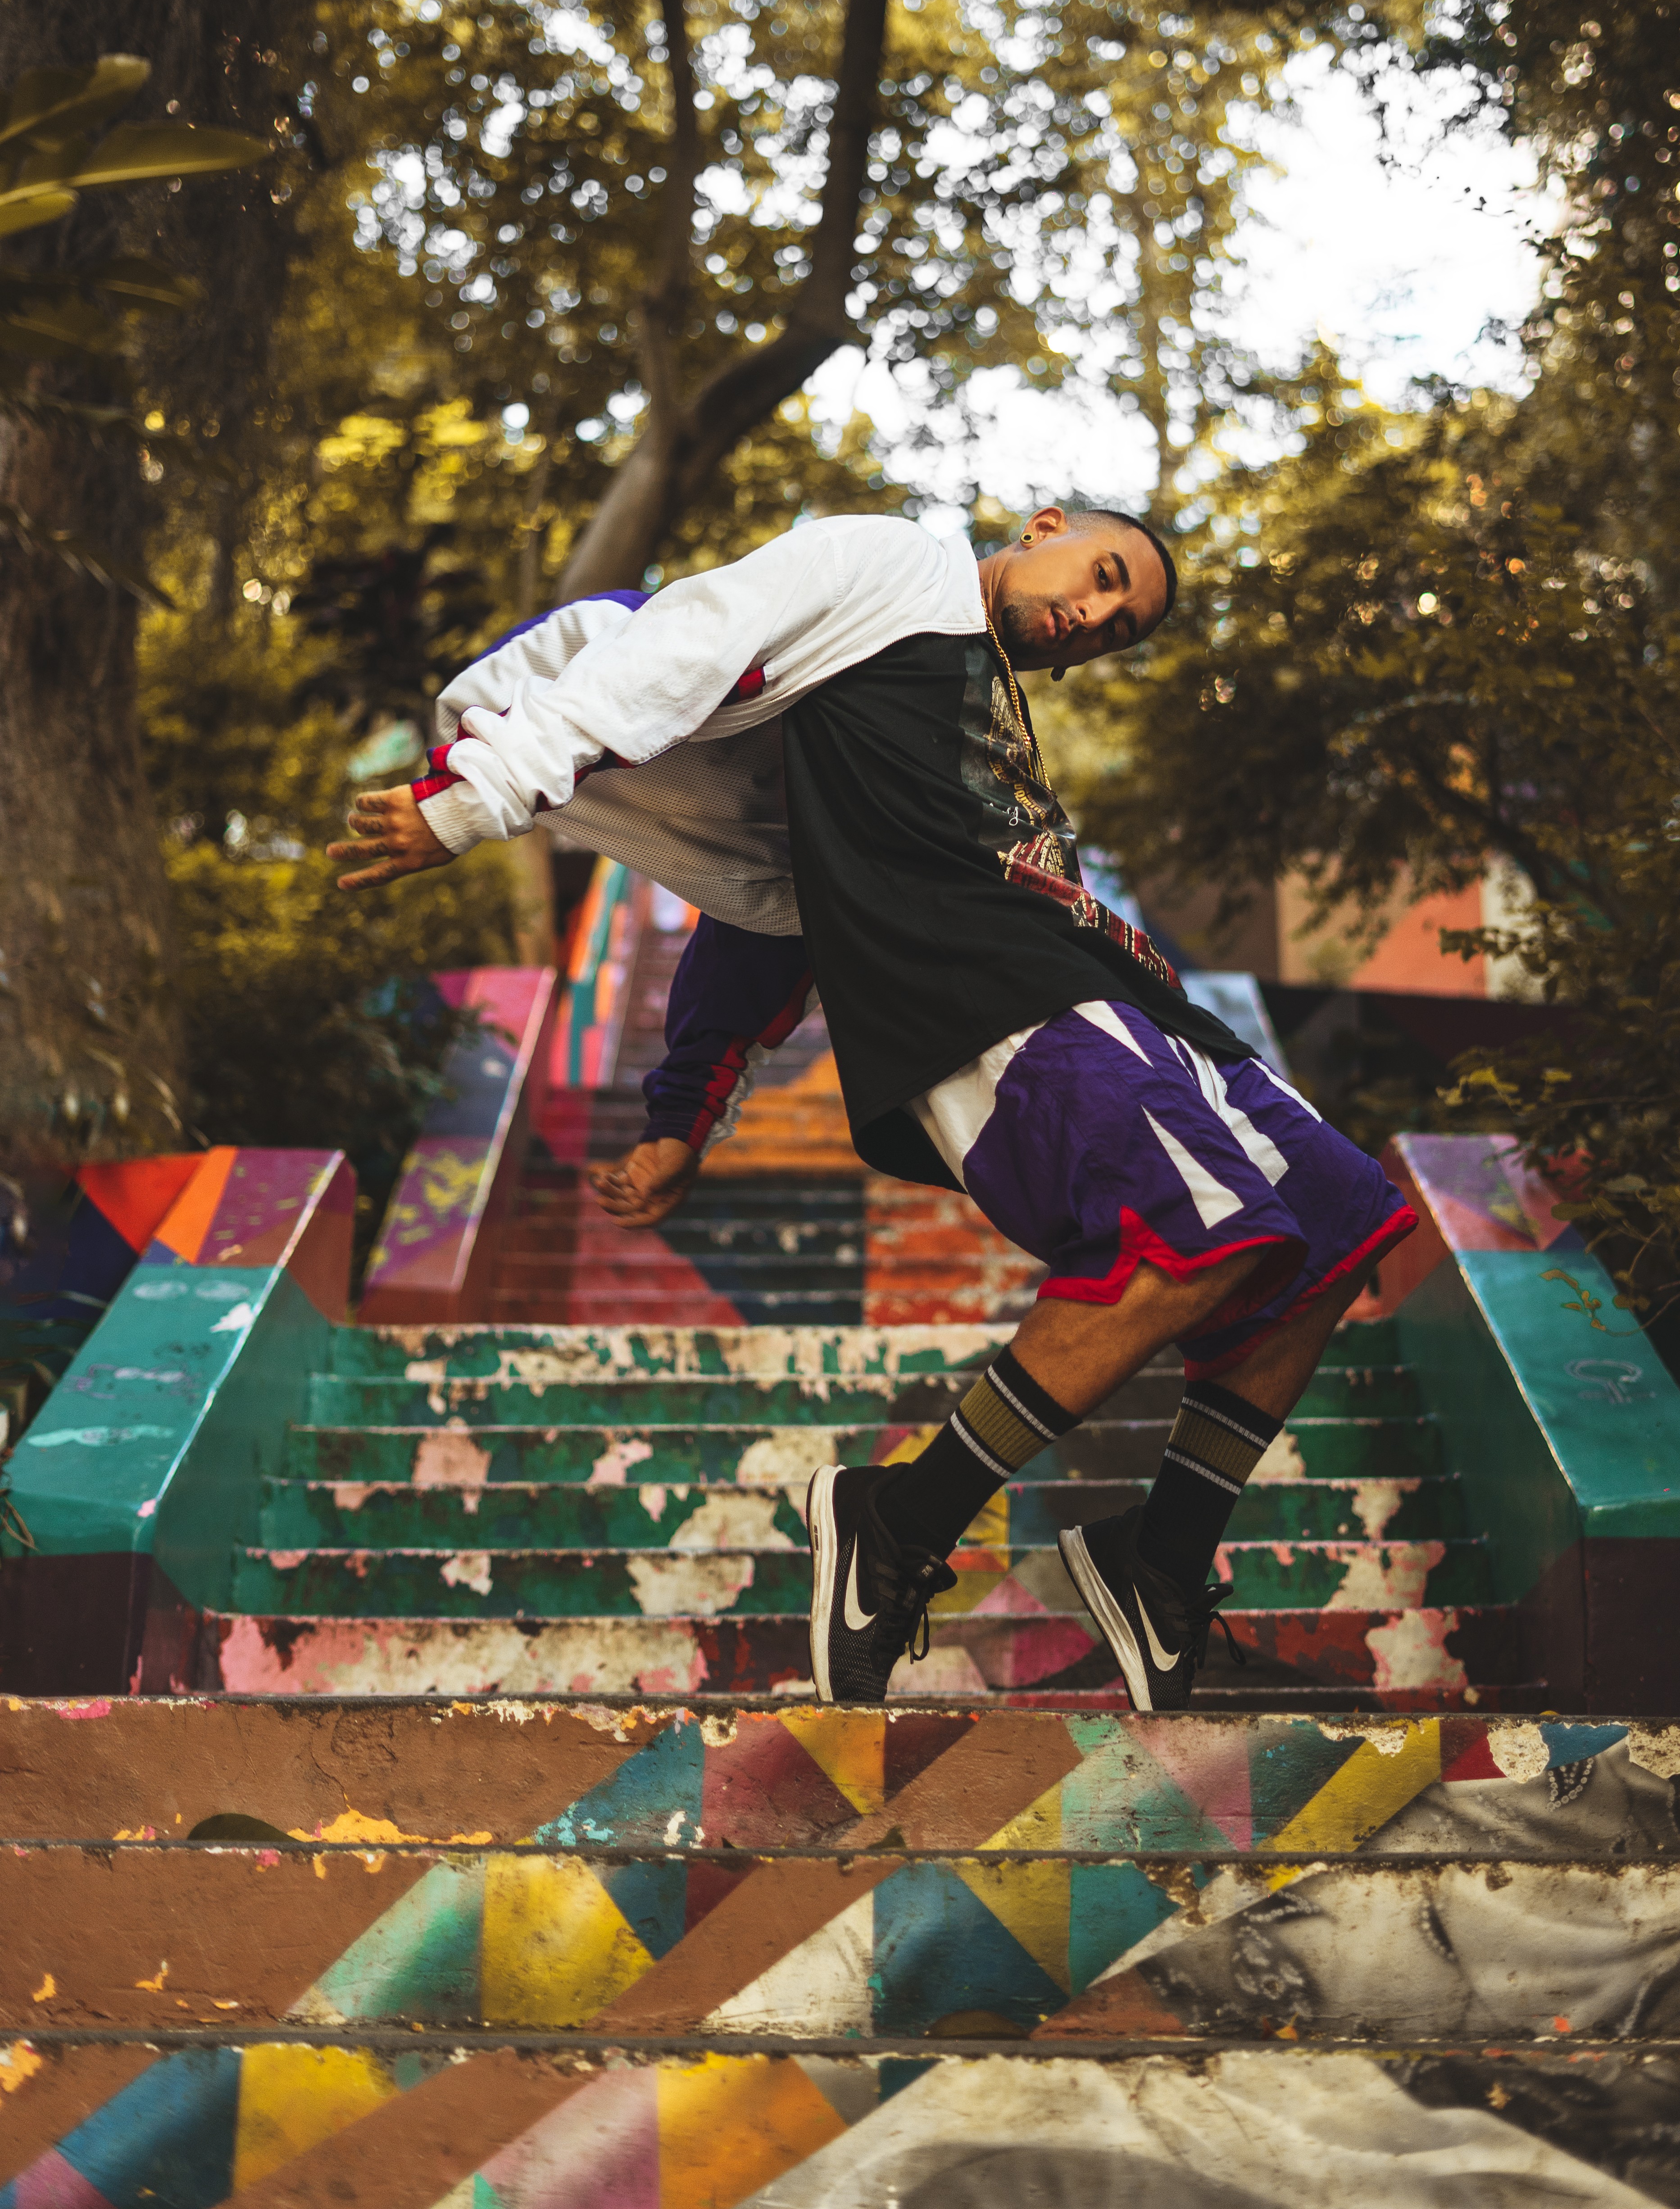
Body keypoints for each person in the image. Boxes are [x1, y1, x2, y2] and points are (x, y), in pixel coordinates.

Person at [330, 506, 1415, 1710]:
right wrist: (476, 795)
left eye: (1118, 629)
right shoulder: (891, 567)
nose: (1094, 619)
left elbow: (773, 906)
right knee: (1193, 1234)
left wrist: (686, 1116)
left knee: (1341, 1220)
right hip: (998, 995)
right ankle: (900, 1517)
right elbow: (686, 642)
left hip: (1126, 986)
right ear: (1043, 524)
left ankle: (1158, 1557)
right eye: (1103, 577)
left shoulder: (940, 704)